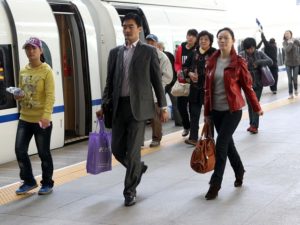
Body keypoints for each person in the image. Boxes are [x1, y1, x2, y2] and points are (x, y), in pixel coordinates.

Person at [96, 13, 168, 207]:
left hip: (140, 108)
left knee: (134, 150)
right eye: (124, 27)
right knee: (117, 149)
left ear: (139, 29)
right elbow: (109, 82)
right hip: (119, 107)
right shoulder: (115, 53)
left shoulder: (148, 52)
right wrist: (104, 105)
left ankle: (130, 191)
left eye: (130, 26)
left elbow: (156, 82)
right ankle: (137, 169)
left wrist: (162, 105)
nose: (127, 30)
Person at [203, 27, 263, 200]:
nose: (222, 41)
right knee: (228, 145)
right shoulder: (211, 61)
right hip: (216, 111)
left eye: (226, 38)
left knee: (221, 144)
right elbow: (207, 90)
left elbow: (247, 87)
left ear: (233, 40)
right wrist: (207, 113)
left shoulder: (238, 62)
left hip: (233, 110)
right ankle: (240, 170)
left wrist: (257, 107)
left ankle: (215, 183)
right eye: (219, 38)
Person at [14, 37, 55, 195]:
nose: (30, 51)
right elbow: (22, 92)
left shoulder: (47, 71)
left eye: (33, 48)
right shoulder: (23, 70)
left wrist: (46, 116)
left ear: (40, 51)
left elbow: (50, 96)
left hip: (41, 120)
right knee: (20, 150)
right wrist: (18, 96)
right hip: (25, 117)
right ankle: (29, 181)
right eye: (28, 49)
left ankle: (47, 182)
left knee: (43, 152)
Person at [182, 30, 216, 146]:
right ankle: (193, 138)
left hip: (209, 89)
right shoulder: (194, 52)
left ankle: (209, 138)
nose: (203, 41)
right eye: (201, 39)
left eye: (206, 39)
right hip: (195, 88)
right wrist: (189, 74)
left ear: (210, 41)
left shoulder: (215, 53)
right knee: (194, 113)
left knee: (209, 115)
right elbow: (185, 66)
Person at [239, 38, 272, 134]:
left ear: (254, 46)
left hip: (258, 82)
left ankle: (255, 126)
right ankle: (252, 124)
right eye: (248, 49)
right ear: (245, 48)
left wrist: (258, 62)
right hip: (246, 83)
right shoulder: (241, 55)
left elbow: (270, 61)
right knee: (250, 104)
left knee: (255, 103)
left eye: (252, 48)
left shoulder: (259, 53)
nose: (250, 50)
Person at [146, 34, 172, 148]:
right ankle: (139, 141)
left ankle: (156, 138)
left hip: (155, 90)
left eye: (152, 42)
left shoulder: (162, 57)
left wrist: (157, 84)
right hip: (142, 90)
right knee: (139, 117)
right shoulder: (142, 54)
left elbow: (168, 76)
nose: (150, 44)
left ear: (156, 43)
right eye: (148, 42)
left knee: (155, 116)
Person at [174, 29, 198, 137]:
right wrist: (178, 70)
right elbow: (177, 63)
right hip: (182, 82)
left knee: (192, 108)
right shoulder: (180, 48)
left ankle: (193, 130)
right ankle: (186, 126)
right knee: (181, 106)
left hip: (193, 83)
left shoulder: (197, 50)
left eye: (193, 36)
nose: (190, 38)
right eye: (189, 35)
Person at [157, 41, 183, 126]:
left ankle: (177, 120)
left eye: (159, 47)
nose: (157, 49)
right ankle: (177, 121)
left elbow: (175, 67)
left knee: (163, 102)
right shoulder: (160, 56)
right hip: (166, 84)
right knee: (172, 103)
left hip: (167, 84)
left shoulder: (162, 56)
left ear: (162, 47)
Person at [282, 30, 300, 99]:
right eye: (285, 34)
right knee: (289, 79)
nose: (287, 35)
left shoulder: (295, 41)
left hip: (296, 62)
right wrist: (290, 43)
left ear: (291, 34)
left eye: (288, 33)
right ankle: (290, 93)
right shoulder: (284, 42)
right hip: (288, 63)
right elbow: (287, 50)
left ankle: (295, 89)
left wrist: (296, 40)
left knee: (295, 78)